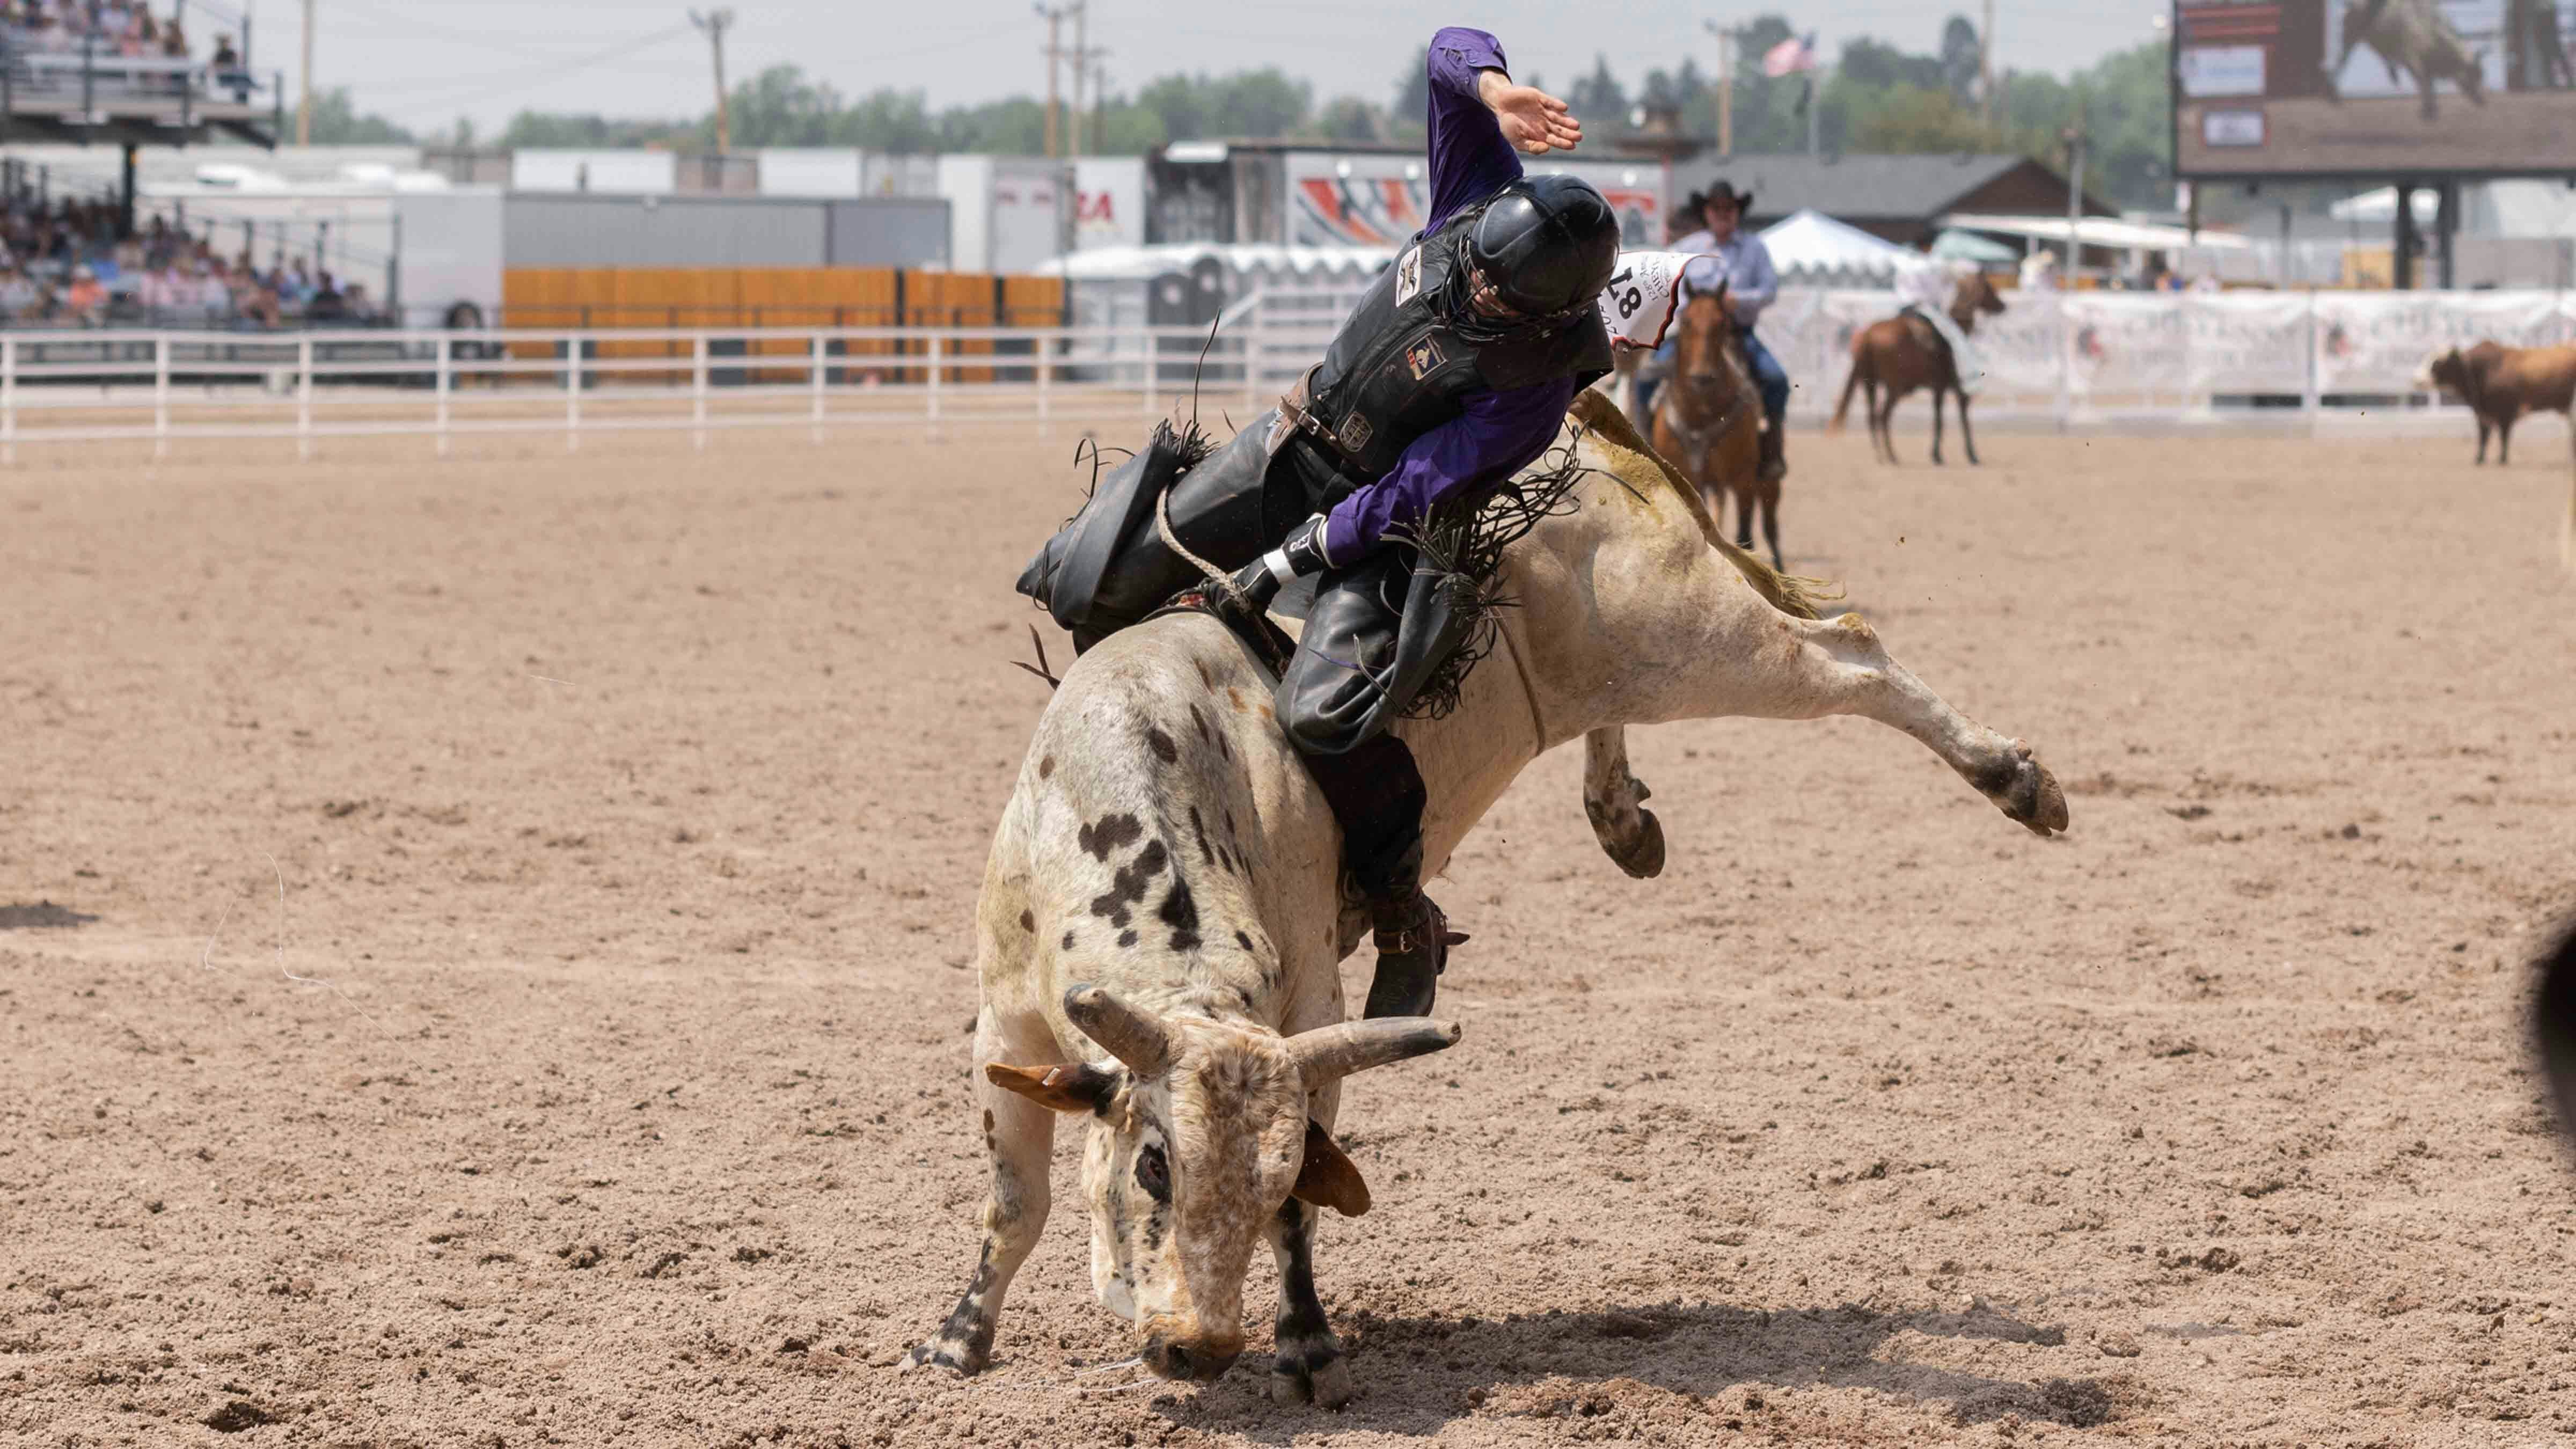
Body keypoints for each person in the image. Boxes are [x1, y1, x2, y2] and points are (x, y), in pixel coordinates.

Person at [1015, 25, 1617, 1020]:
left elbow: (1409, 493)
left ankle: (1398, 903)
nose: (1470, 287)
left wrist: (1281, 563)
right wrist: (1498, 90)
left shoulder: (1532, 391)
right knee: (1092, 586)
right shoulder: (1479, 199)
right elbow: (1446, 49)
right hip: (1291, 441)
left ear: (1550, 318)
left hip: (1382, 529)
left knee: (1321, 716)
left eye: (1495, 294)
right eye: (1472, 269)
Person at [1648, 182, 1789, 483]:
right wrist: (1697, 309)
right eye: (1717, 209)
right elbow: (1664, 283)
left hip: (1738, 334)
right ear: (1707, 212)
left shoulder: (1755, 248)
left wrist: (1739, 300)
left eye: (1729, 209)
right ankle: (1646, 451)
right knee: (1647, 376)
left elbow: (1769, 291)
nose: (1723, 214)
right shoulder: (1687, 249)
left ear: (1737, 212)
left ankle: (1770, 453)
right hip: (1691, 335)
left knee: (1776, 381)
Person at [1893, 252, 1987, 397]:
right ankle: (1967, 377)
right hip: (1925, 307)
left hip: (1903, 307)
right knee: (1956, 336)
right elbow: (1965, 269)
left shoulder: (1903, 262)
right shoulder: (1933, 264)